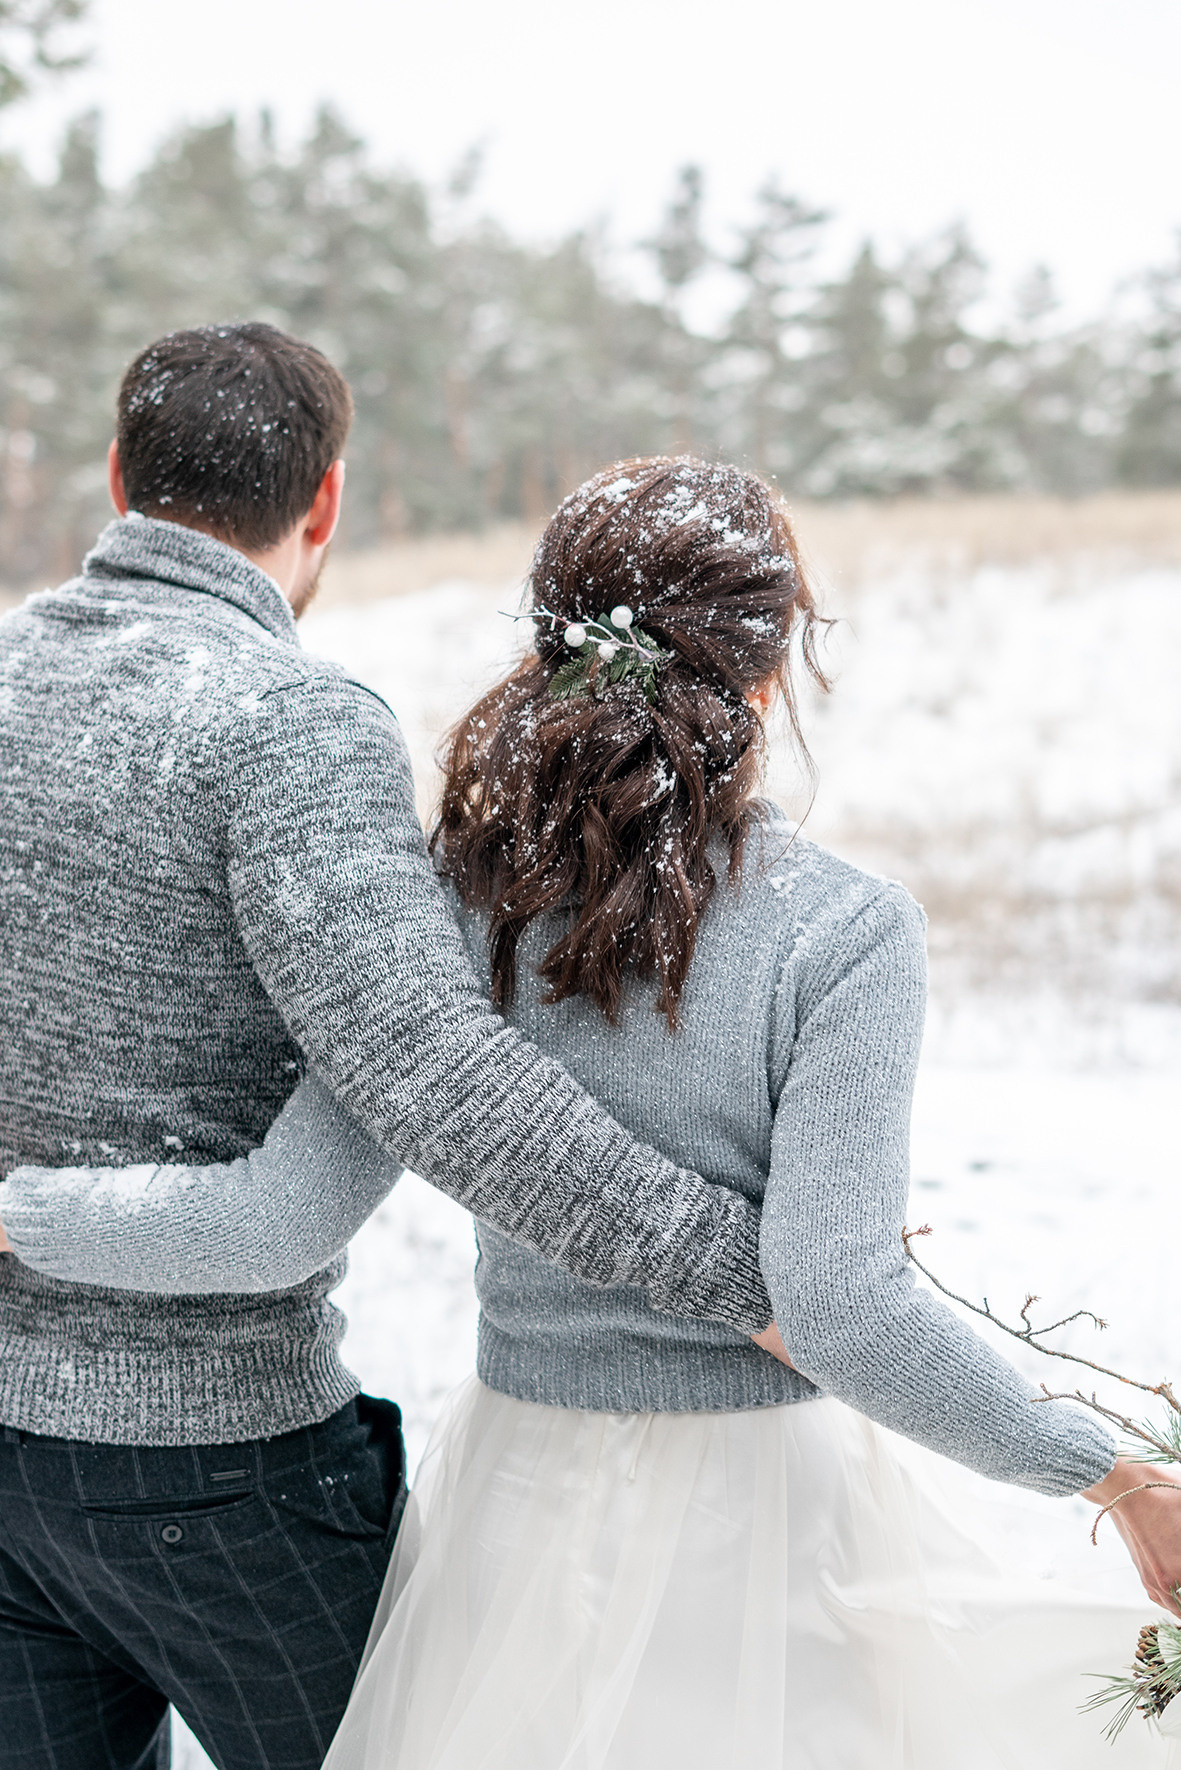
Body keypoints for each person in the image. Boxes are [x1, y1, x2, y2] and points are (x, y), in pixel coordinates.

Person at [9, 455, 1181, 1766]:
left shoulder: (452, 905)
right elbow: (839, 1303)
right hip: (760, 1530)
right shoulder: (843, 933)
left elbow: (284, 1212)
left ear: (549, 648)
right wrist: (1112, 1473)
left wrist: (24, 1212)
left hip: (516, 1515)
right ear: (768, 669)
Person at [0, 337, 798, 1770]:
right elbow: (437, 1078)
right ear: (326, 501)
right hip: (216, 1472)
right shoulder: (284, 721)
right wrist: (743, 1270)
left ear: (119, 477)